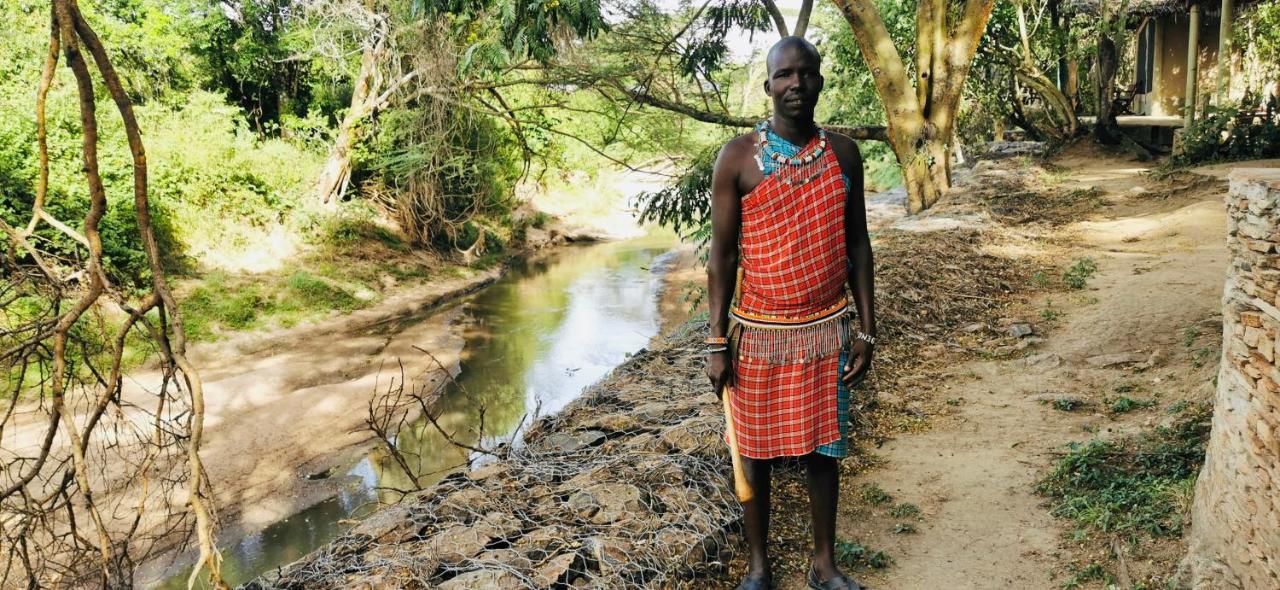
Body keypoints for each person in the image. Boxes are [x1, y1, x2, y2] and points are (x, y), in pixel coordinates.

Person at [704, 35, 875, 590]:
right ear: (768, 85)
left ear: (821, 80)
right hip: (757, 334)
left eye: (806, 73)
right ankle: (759, 567)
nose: (795, 84)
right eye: (784, 75)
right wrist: (715, 341)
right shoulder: (737, 158)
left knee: (825, 450)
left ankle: (824, 564)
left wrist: (867, 333)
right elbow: (723, 256)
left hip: (827, 328)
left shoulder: (844, 154)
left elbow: (858, 247)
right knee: (754, 452)